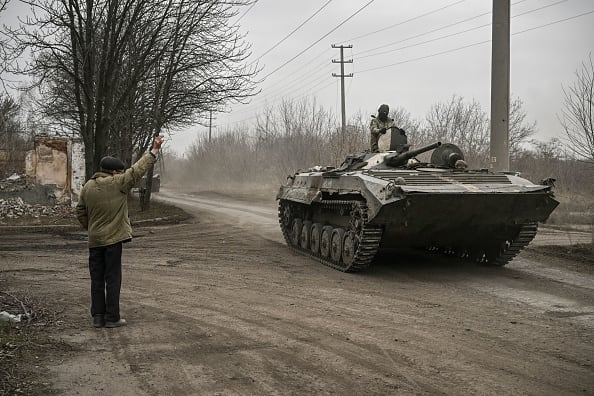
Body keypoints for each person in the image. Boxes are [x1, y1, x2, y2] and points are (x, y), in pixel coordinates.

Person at [75, 135, 165, 328]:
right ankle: (112, 317)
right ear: (114, 172)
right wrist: (154, 150)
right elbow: (138, 170)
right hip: (113, 241)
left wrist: (90, 227)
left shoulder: (88, 187)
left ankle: (98, 317)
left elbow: (80, 211)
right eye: (119, 171)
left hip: (95, 241)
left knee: (96, 279)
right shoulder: (118, 183)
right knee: (112, 278)